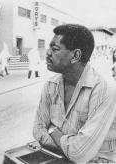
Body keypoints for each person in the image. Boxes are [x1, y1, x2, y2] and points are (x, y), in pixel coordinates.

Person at [33, 24, 116, 163]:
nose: (47, 53)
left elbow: (80, 154)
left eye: (55, 49)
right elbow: (37, 130)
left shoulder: (104, 90)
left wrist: (52, 130)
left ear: (75, 55)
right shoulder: (50, 85)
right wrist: (70, 146)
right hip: (59, 158)